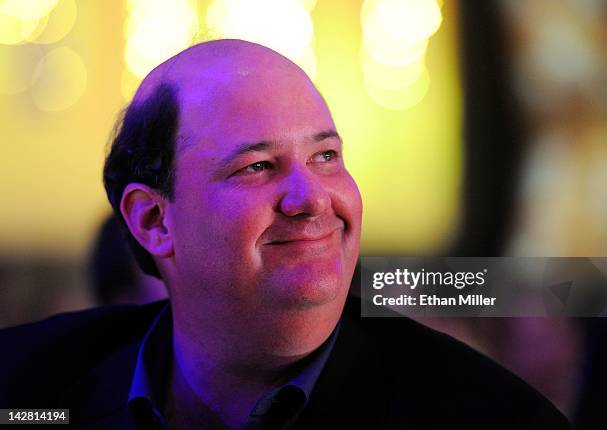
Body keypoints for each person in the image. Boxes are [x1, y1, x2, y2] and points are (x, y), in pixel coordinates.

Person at [0, 40, 570, 430]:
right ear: (153, 221)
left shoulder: (488, 417)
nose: (314, 198)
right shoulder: (28, 393)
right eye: (257, 167)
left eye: (326, 156)